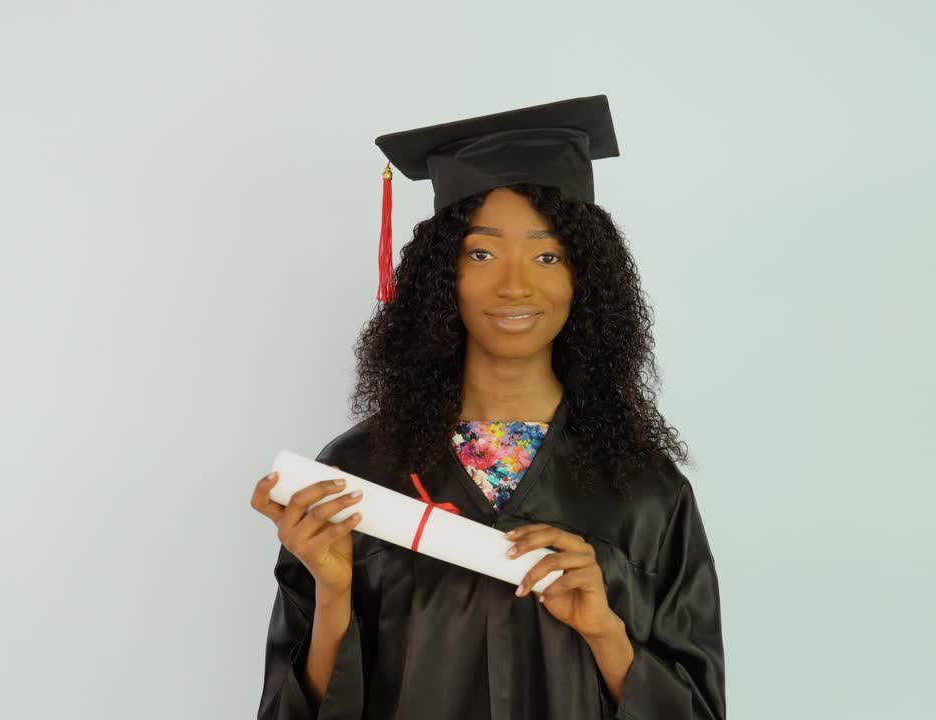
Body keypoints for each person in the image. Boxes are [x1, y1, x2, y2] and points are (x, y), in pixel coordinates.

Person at [251, 96, 725, 719]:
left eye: (548, 255)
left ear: (586, 278)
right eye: (481, 253)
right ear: (440, 275)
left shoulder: (645, 492)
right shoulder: (358, 476)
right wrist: (335, 594)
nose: (514, 285)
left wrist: (607, 633)